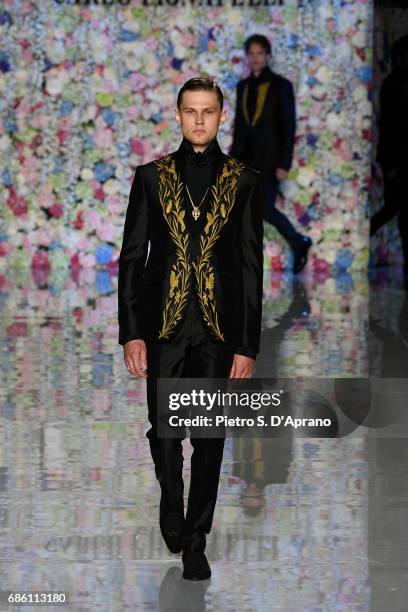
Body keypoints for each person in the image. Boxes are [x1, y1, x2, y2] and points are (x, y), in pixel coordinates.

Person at [118, 78, 264, 580]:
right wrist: (131, 332)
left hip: (217, 333)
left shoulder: (244, 180)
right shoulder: (152, 177)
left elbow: (249, 269)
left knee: (209, 436)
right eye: (190, 111)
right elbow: (133, 259)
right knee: (165, 433)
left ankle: (196, 538)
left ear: (222, 116)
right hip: (163, 328)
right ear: (177, 116)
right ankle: (170, 502)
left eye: (208, 111)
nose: (198, 120)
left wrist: (247, 345)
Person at [230, 33, 312, 274]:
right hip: (245, 159)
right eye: (251, 53)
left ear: (268, 56)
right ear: (247, 57)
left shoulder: (280, 85)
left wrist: (284, 163)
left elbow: (288, 127)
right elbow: (240, 127)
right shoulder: (243, 86)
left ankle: (298, 242)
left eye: (260, 53)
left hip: (270, 160)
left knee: (264, 208)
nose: (255, 58)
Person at [371, 34, 408, 286]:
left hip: (399, 157)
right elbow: (389, 128)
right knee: (395, 208)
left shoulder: (398, 83)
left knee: (397, 209)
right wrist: (390, 164)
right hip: (397, 159)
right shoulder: (393, 84)